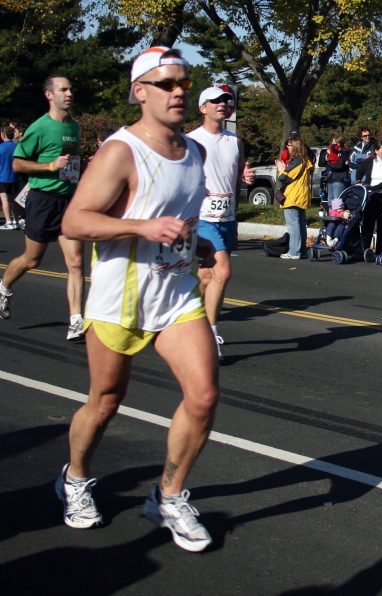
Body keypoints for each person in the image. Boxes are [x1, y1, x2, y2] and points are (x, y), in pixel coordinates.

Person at [56, 46, 219, 552]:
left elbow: (180, 218)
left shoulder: (197, 151)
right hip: (119, 299)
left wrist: (203, 243)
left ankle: (167, 495)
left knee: (204, 396)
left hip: (176, 296)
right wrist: (140, 225)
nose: (178, 92)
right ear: (140, 91)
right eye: (167, 84)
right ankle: (76, 479)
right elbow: (76, 221)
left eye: (184, 84)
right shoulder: (120, 151)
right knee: (105, 403)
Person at [0, 74, 85, 340]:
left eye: (71, 89)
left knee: (76, 262)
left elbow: (71, 162)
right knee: (32, 259)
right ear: (49, 95)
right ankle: (4, 287)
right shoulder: (40, 127)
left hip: (68, 201)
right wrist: (49, 166)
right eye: (63, 89)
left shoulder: (74, 127)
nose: (69, 93)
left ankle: (76, 320)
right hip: (43, 200)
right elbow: (17, 164)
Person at [188, 86, 252, 361]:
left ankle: (188, 320)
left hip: (226, 217)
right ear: (202, 108)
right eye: (215, 101)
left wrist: (245, 177)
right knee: (223, 271)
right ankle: (209, 336)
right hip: (201, 217)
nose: (222, 105)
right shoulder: (191, 140)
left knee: (206, 277)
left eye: (226, 101)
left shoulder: (234, 141)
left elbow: (237, 174)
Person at [274, 137, 312, 259]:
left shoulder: (297, 161)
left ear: (295, 146)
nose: (288, 148)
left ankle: (294, 252)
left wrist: (281, 170)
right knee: (300, 224)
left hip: (293, 195)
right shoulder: (305, 159)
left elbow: (284, 178)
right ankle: (302, 251)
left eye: (289, 145)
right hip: (301, 194)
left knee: (293, 225)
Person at [357, 141, 382, 253]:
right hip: (371, 195)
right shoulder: (369, 161)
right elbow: (359, 172)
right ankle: (364, 249)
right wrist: (359, 182)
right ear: (376, 151)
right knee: (368, 223)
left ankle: (380, 251)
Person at [0, 126, 18, 229]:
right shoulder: (16, 146)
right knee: (13, 200)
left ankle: (9, 222)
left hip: (3, 177)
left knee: (4, 199)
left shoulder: (1, 147)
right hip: (14, 177)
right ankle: (16, 220)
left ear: (3, 135)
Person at [323, 136, 351, 202]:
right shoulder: (331, 152)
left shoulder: (344, 153)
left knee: (337, 203)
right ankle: (331, 212)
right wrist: (327, 157)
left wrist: (329, 163)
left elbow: (339, 166)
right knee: (330, 202)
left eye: (333, 142)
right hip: (330, 179)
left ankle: (337, 212)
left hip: (339, 179)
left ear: (338, 144)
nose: (332, 144)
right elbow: (322, 161)